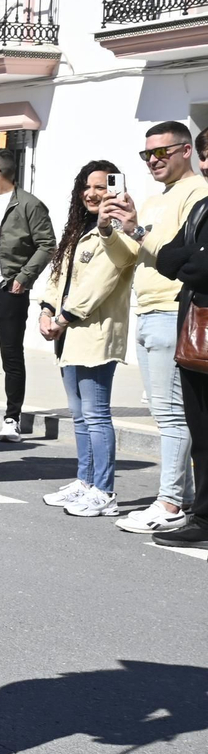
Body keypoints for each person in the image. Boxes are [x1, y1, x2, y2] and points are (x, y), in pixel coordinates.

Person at [102, 120, 208, 536]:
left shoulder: (197, 192)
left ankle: (170, 501)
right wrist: (112, 229)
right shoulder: (154, 199)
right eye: (146, 155)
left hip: (173, 310)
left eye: (161, 153)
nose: (152, 161)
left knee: (173, 414)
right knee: (165, 411)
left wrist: (140, 232)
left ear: (185, 151)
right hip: (147, 308)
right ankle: (174, 499)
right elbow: (135, 256)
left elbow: (180, 259)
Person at [35, 162, 134, 518]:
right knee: (78, 415)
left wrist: (61, 318)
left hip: (94, 333)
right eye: (87, 187)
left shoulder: (118, 232)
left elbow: (99, 284)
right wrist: (46, 310)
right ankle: (85, 481)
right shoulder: (77, 230)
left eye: (101, 187)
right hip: (68, 333)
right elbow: (57, 277)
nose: (93, 194)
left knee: (95, 414)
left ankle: (104, 490)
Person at [0, 148, 55, 441]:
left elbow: (47, 244)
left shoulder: (29, 204)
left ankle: (12, 418)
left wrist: (24, 277)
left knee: (11, 355)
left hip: (9, 288)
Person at [152, 146, 208, 548]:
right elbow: (168, 259)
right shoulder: (202, 208)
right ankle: (203, 517)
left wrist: (192, 261)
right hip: (196, 333)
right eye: (206, 156)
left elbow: (198, 266)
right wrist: (193, 259)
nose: (206, 165)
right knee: (201, 430)